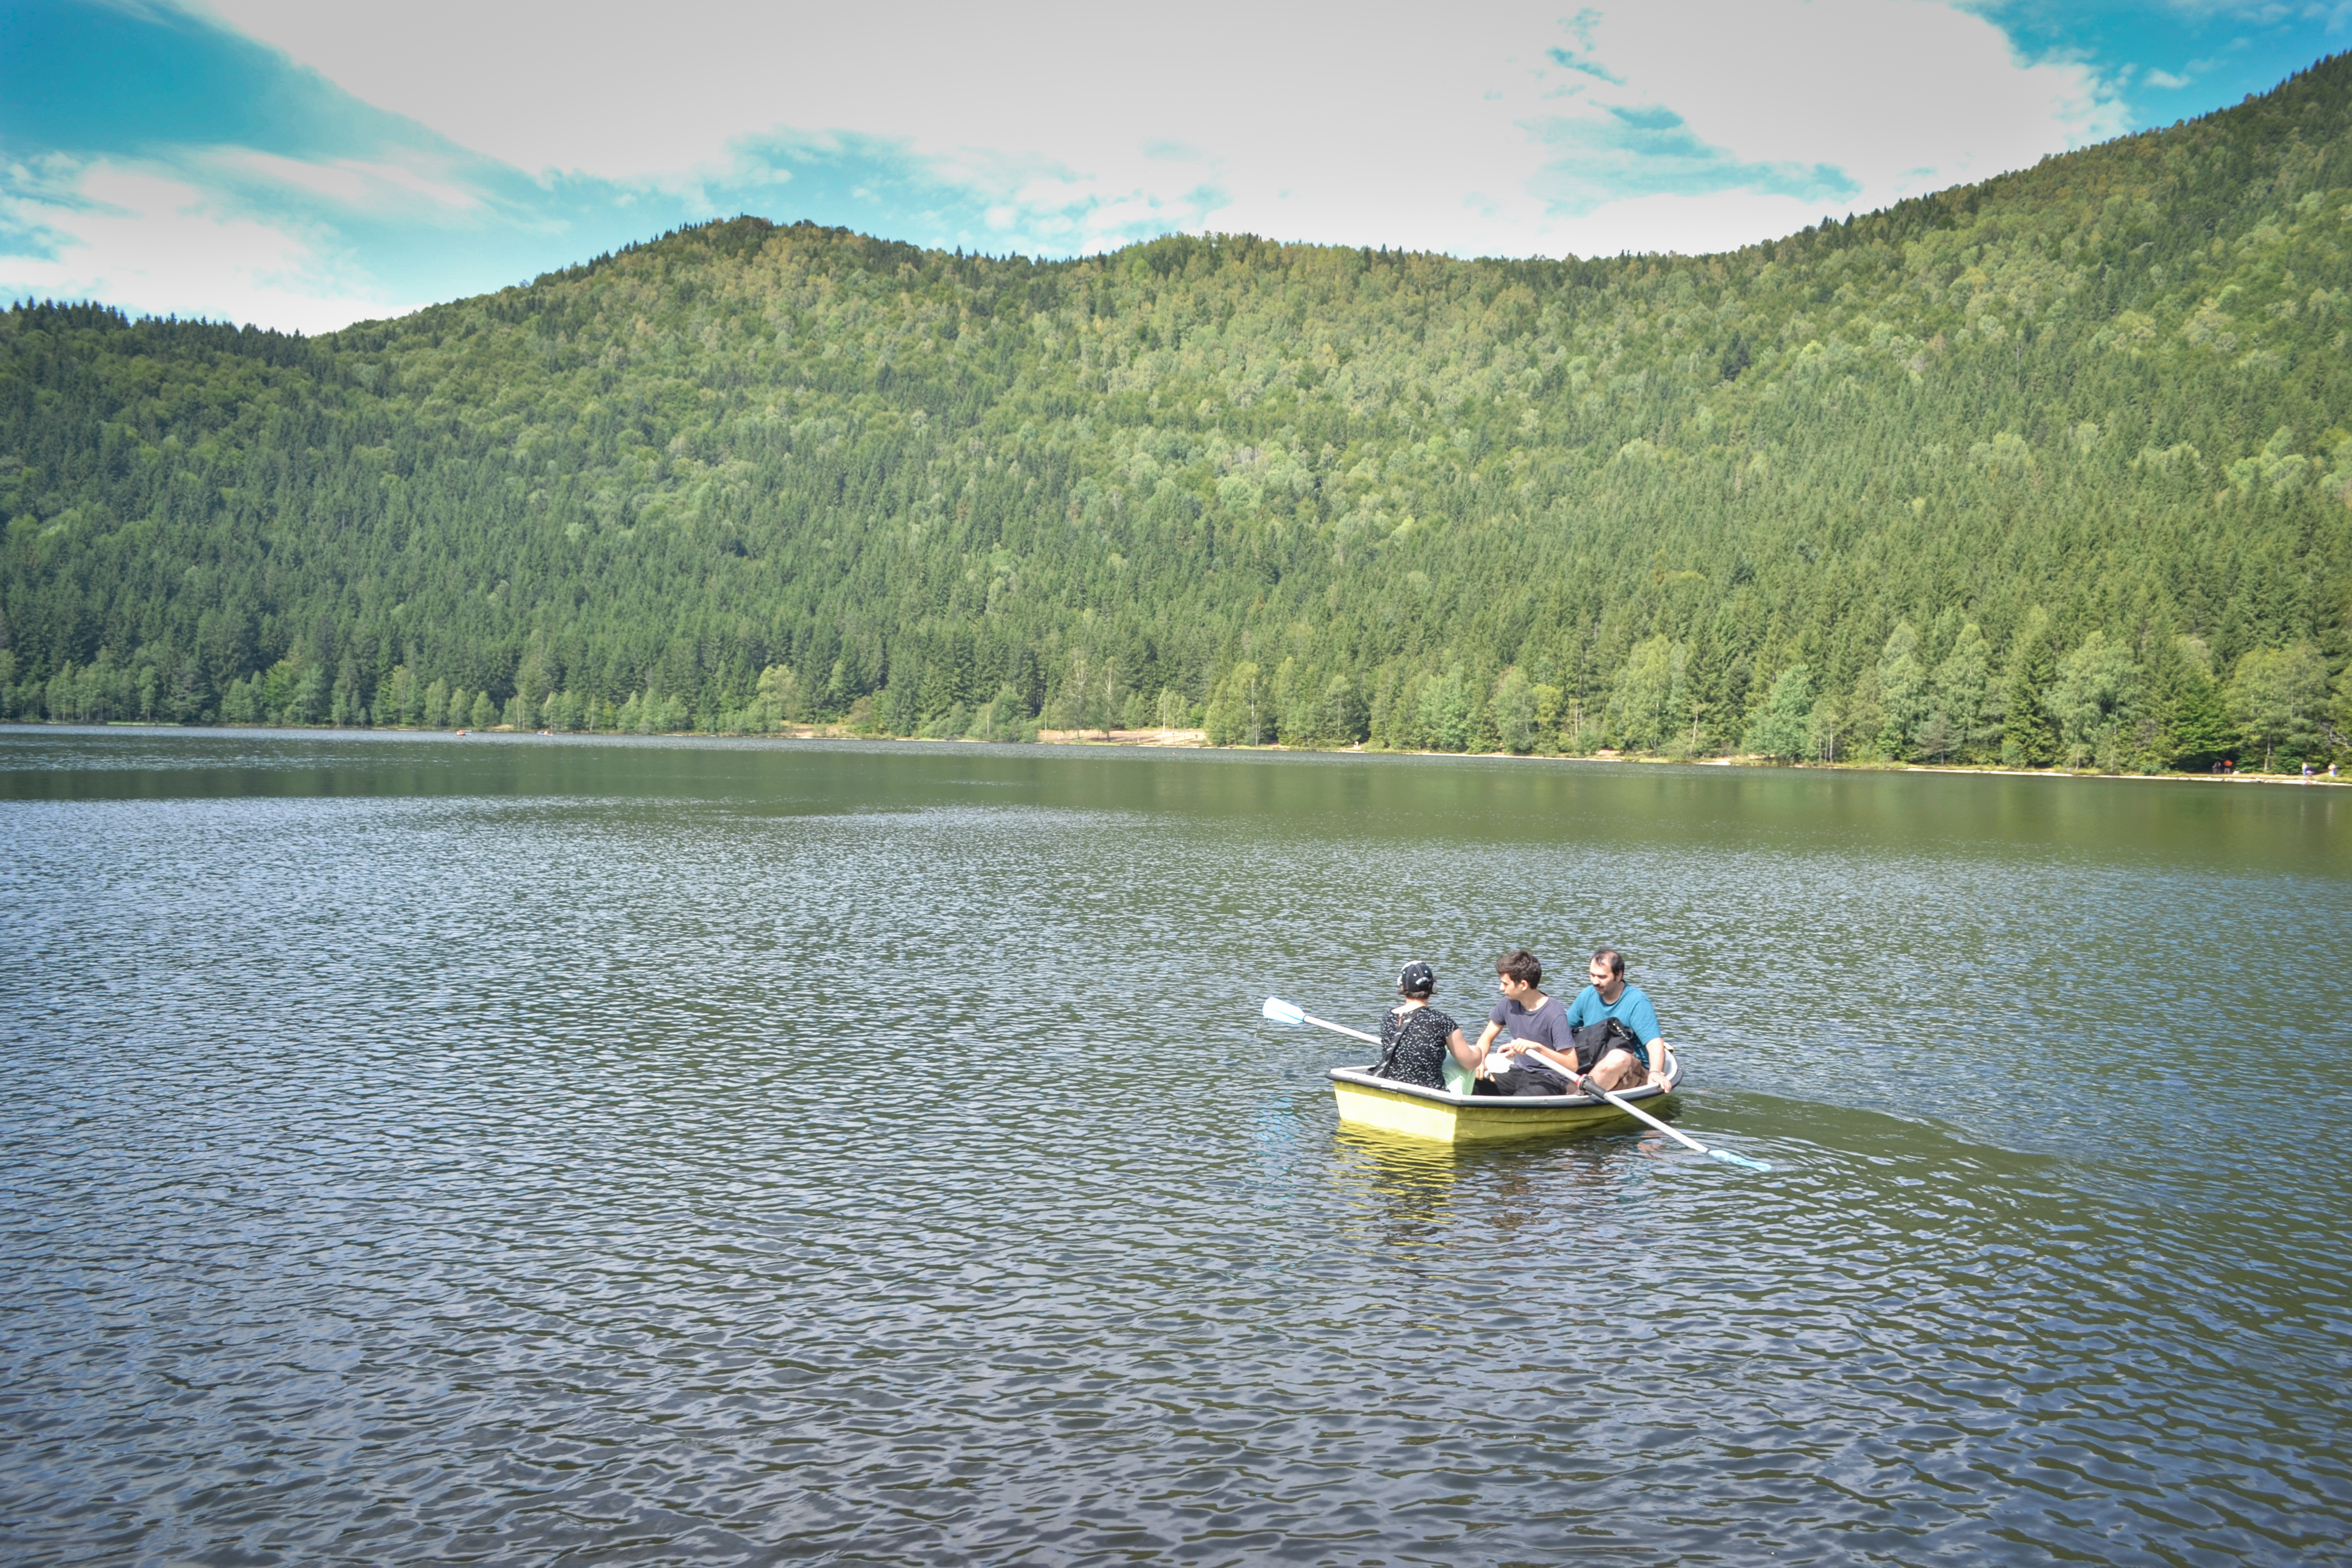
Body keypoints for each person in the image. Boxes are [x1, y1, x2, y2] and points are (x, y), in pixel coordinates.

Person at [1474, 948, 1581, 1096]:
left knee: (1521, 1099)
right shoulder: (1507, 1004)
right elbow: (1486, 1038)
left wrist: (1538, 1048)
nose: (1501, 988)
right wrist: (1480, 1061)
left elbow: (1572, 1065)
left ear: (1523, 985)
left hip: (1549, 1079)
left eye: (1505, 984)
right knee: (1473, 1085)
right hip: (1518, 1073)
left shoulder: (1554, 1013)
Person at [1561, 947, 1667, 1093]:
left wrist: (1655, 1072)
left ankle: (1576, 1098)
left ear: (1618, 976)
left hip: (1632, 1072)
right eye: (1592, 975)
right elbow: (1561, 1030)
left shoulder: (1637, 1002)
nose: (1595, 982)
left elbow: (1654, 1044)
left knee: (1618, 1057)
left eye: (1602, 977)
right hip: (1594, 1065)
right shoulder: (1587, 995)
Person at [1371, 961, 1482, 1091]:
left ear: (1403, 987)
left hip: (1394, 1087)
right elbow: (1471, 1063)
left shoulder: (1388, 1018)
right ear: (1431, 988)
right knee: (1459, 1064)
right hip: (1430, 1093)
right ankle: (1464, 1107)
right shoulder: (1442, 1021)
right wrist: (1478, 1051)